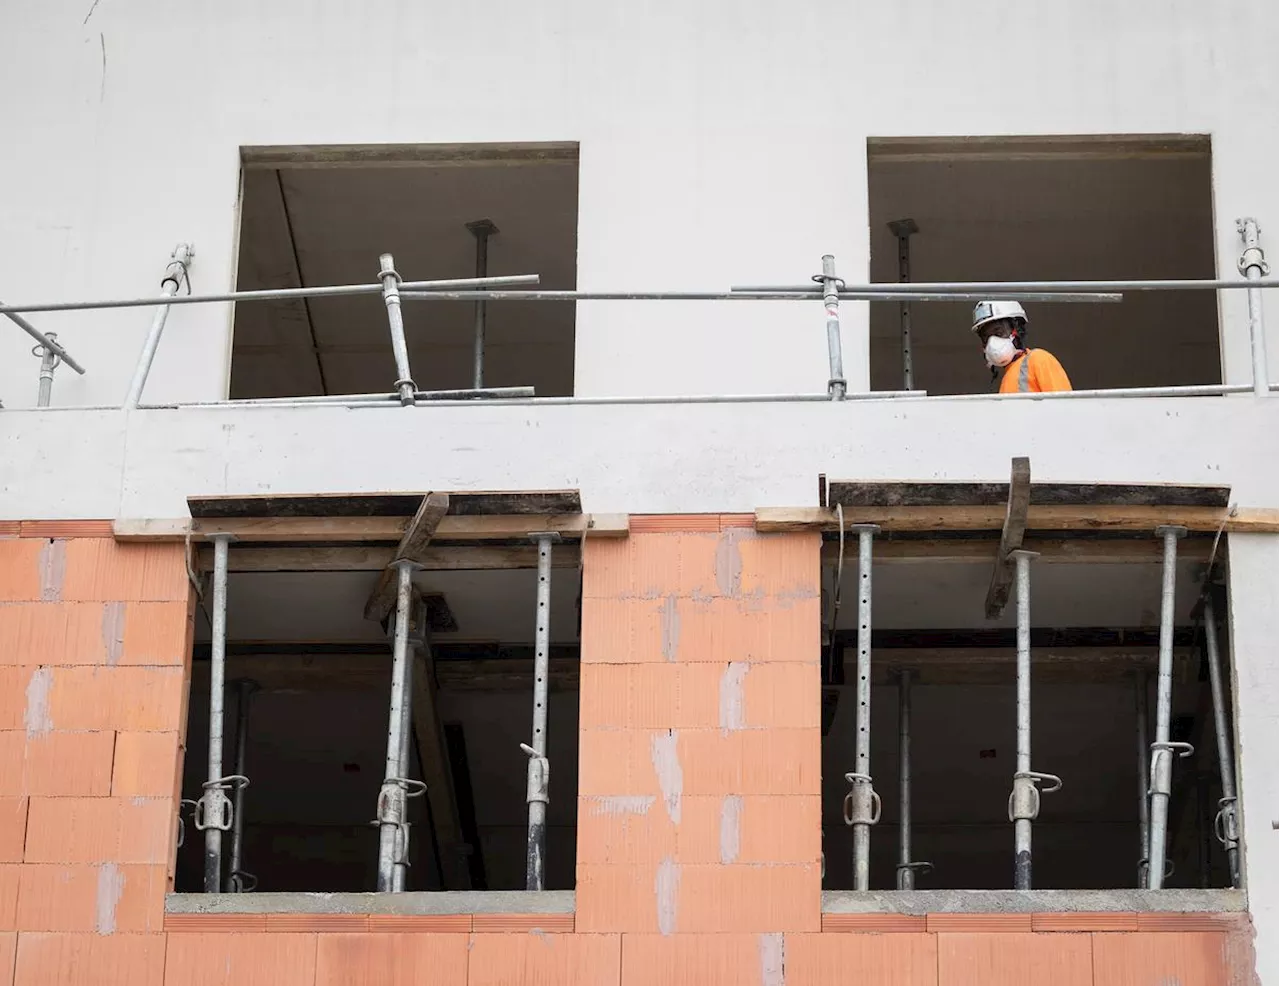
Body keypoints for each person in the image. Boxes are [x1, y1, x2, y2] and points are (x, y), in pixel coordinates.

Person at [971, 300, 1072, 393]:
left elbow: (1063, 406)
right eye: (986, 338)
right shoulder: (1007, 379)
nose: (992, 342)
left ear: (1017, 329)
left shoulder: (1039, 359)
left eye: (999, 332)